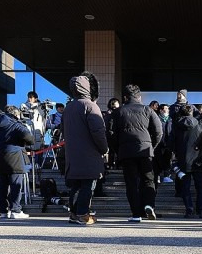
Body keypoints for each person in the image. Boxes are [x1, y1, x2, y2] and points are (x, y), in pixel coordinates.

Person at [109, 84, 162, 222]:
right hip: (145, 151)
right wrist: (151, 146)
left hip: (126, 152)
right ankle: (149, 205)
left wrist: (117, 149)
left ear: (125, 97)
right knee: (148, 180)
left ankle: (136, 214)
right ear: (139, 97)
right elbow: (158, 131)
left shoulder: (118, 112)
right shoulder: (148, 110)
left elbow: (110, 133)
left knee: (131, 183)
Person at [64, 72, 108, 225]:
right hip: (89, 155)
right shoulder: (90, 106)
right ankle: (83, 214)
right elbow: (98, 132)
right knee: (88, 186)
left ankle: (74, 214)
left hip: (72, 155)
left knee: (76, 186)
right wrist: (104, 149)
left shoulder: (69, 108)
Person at [0, 106, 34, 219]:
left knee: (3, 186)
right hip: (15, 159)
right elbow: (30, 138)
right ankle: (15, 210)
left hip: (1, 158)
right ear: (16, 114)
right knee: (16, 185)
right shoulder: (15, 124)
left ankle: (3, 211)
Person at [172, 104, 202, 218]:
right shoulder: (200, 125)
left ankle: (189, 209)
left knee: (185, 187)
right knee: (200, 187)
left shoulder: (176, 126)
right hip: (198, 159)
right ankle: (201, 210)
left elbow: (171, 143)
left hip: (182, 160)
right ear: (192, 113)